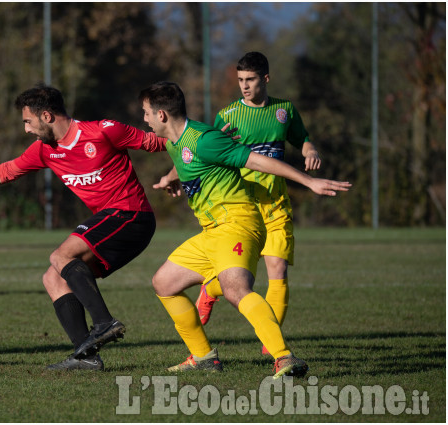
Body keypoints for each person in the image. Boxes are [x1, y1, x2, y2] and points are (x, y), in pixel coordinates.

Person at [0, 83, 168, 371]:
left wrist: (190, 159)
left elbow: (164, 141)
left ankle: (105, 323)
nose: (26, 129)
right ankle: (86, 356)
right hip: (113, 222)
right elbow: (3, 172)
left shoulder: (103, 130)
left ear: (47, 116)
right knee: (53, 279)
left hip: (132, 215)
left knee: (61, 256)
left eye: (28, 121)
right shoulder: (44, 150)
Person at [142, 81, 350, 377]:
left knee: (236, 289)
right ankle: (202, 357)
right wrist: (170, 178)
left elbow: (257, 161)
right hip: (212, 231)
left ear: (162, 115)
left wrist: (308, 181)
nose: (145, 120)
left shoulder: (203, 138)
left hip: (238, 224)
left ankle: (284, 357)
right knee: (164, 282)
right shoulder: (176, 142)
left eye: (146, 113)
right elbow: (189, 161)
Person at [195, 51, 321, 357]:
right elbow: (210, 154)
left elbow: (302, 137)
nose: (244, 86)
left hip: (276, 204)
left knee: (278, 270)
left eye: (250, 79)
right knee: (239, 279)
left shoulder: (284, 110)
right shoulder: (227, 116)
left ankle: (272, 346)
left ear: (265, 78)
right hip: (242, 206)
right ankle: (210, 290)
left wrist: (309, 150)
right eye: (240, 80)